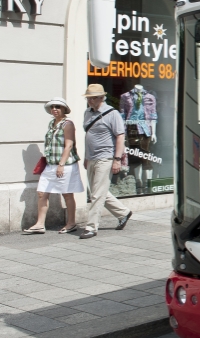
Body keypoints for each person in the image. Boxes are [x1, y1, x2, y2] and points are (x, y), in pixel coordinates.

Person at [23, 98, 84, 234]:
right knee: (41, 192)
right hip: (50, 164)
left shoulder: (67, 124)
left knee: (67, 194)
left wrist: (61, 164)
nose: (54, 109)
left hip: (65, 165)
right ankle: (39, 224)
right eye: (52, 107)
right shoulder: (52, 123)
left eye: (58, 107)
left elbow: (69, 145)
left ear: (63, 109)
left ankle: (71, 223)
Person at [82, 84, 133, 239]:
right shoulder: (87, 113)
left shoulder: (112, 113)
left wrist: (117, 160)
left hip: (106, 157)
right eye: (88, 98)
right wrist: (86, 156)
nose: (90, 101)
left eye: (93, 98)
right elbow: (88, 136)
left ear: (101, 98)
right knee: (97, 191)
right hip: (91, 158)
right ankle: (123, 212)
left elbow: (120, 137)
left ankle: (91, 227)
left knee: (97, 194)